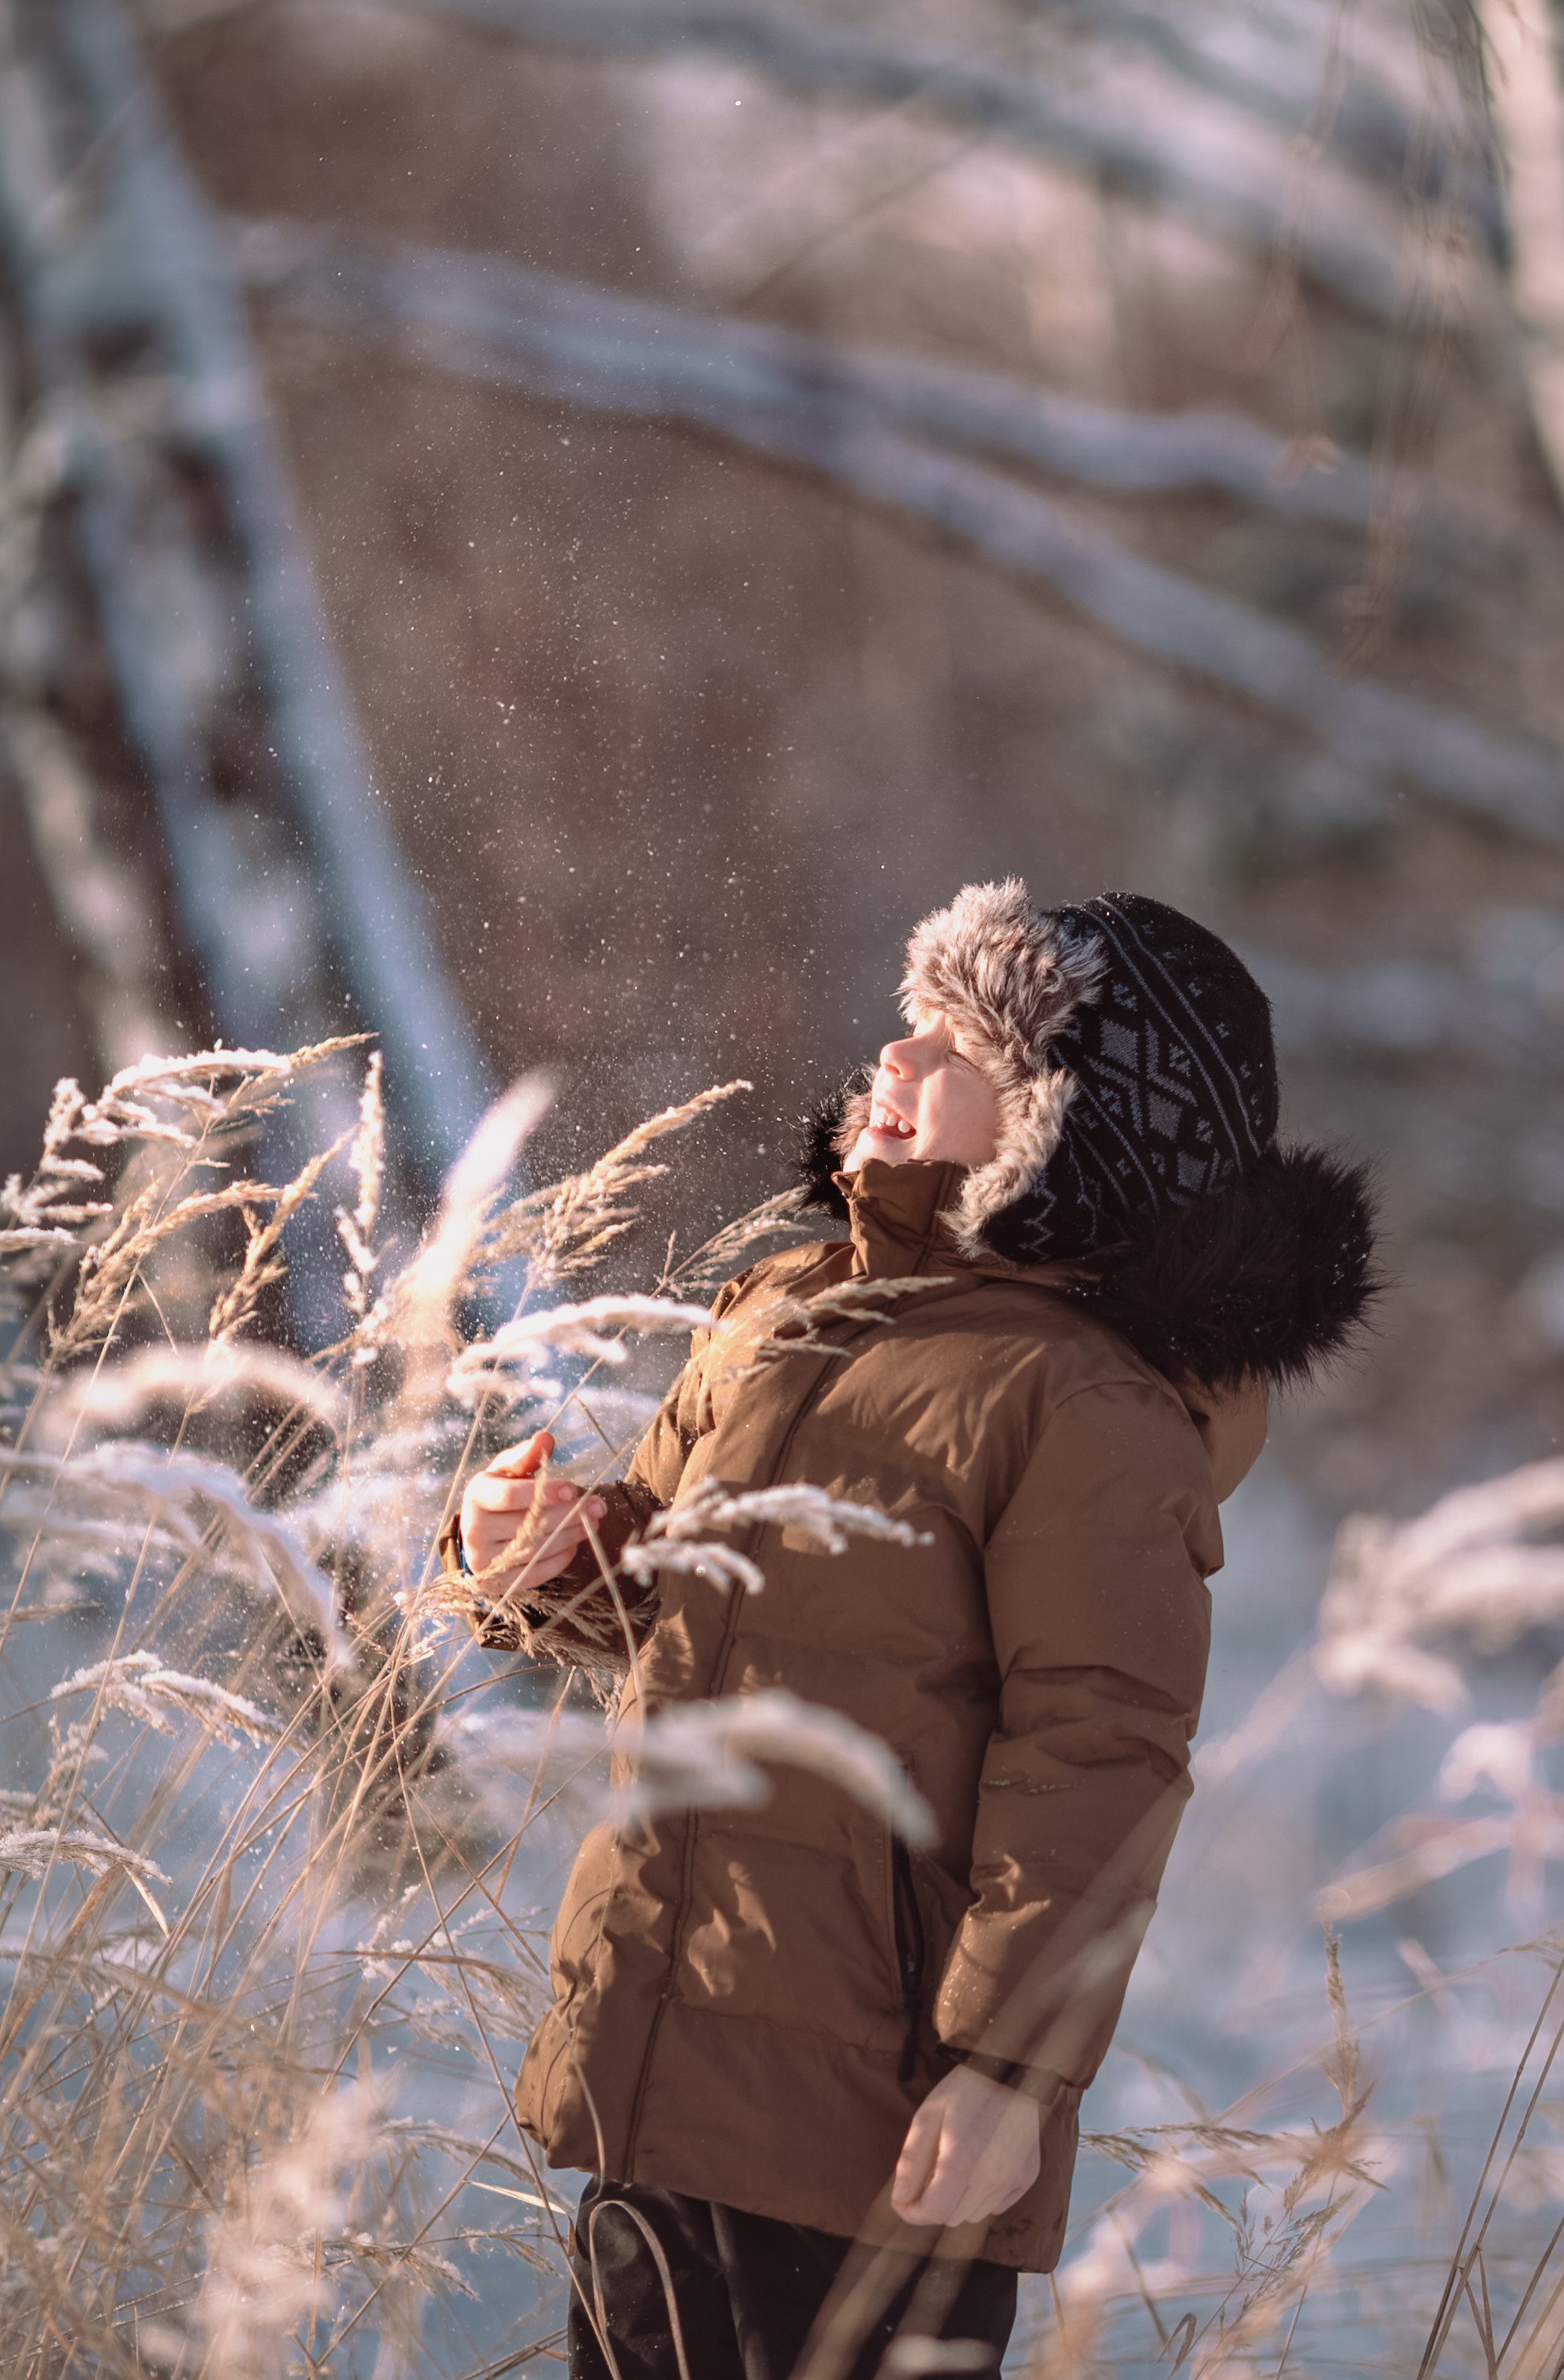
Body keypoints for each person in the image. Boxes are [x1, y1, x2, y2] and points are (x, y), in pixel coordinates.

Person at [448, 885, 1378, 2380]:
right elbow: (690, 1593)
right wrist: (547, 1557)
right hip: (664, 2050)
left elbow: (1100, 1758)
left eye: (961, 1046)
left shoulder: (1082, 1407)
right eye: (915, 1018)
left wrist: (1007, 2073)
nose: (897, 1054)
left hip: (879, 2123)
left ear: (1072, 1128)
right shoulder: (786, 1308)